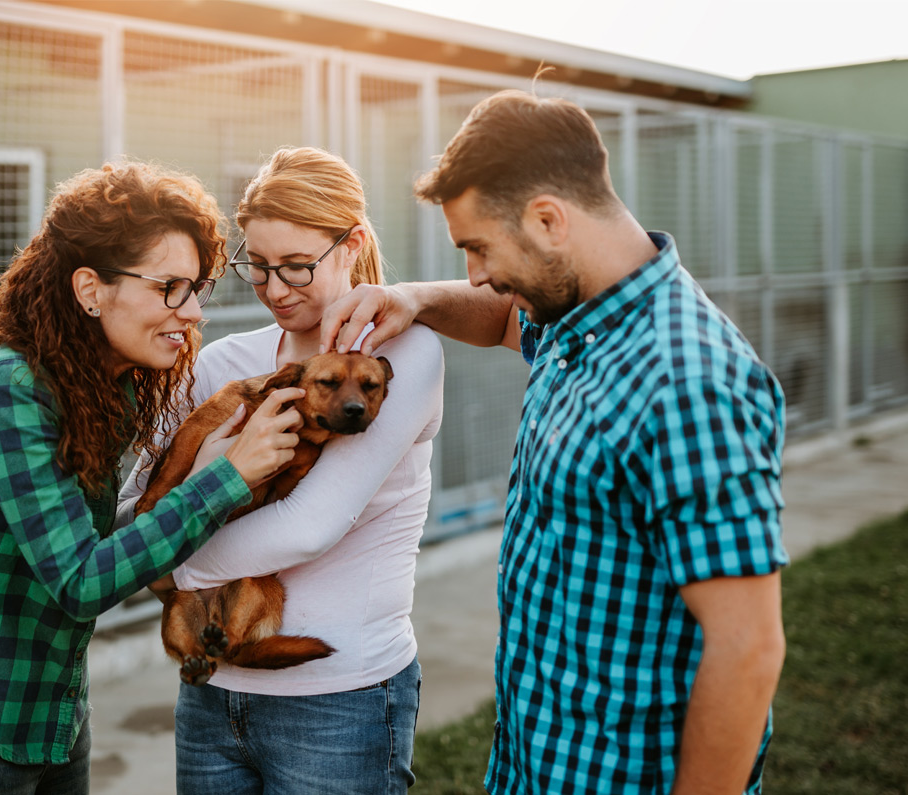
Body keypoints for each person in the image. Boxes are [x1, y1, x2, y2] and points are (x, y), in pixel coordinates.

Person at [320, 89, 788, 794]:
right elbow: (503, 321)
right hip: (537, 764)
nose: (476, 273)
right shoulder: (578, 322)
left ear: (548, 219)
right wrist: (413, 298)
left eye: (478, 247)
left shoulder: (687, 380)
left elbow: (747, 648)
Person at [0, 161, 305, 794]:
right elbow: (80, 579)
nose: (194, 311)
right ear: (90, 289)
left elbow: (37, 535)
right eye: (170, 286)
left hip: (52, 715)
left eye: (197, 287)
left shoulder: (97, 387)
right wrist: (224, 478)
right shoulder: (10, 387)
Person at [120, 146, 444, 793]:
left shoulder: (400, 357)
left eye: (297, 267)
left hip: (341, 700)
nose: (274, 290)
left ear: (350, 244)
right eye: (257, 267)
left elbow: (304, 527)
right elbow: (134, 502)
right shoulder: (224, 365)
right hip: (211, 691)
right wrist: (156, 525)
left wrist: (159, 561)